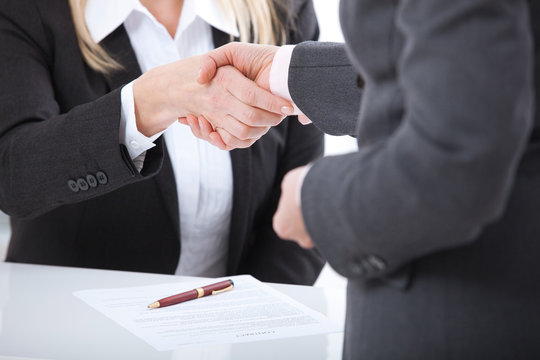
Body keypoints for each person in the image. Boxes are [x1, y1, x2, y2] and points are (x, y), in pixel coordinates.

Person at [194, 0, 540, 358]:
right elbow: (489, 72)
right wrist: (291, 73)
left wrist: (313, 200)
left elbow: (456, 156)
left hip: (461, 316)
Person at [0, 0, 325, 286]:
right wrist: (149, 101)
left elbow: (305, 196)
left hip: (228, 338)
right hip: (72, 331)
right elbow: (13, 175)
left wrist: (254, 319)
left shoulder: (281, 9)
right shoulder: (27, 9)